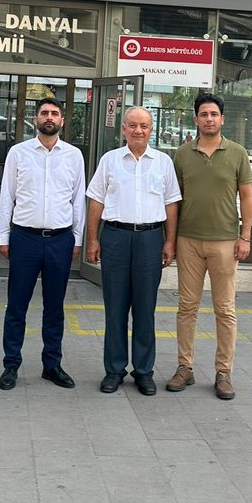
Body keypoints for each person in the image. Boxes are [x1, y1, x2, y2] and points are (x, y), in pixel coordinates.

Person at [85, 107, 180, 395]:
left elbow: (171, 203)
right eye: (133, 125)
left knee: (145, 309)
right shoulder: (110, 160)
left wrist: (169, 241)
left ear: (151, 130)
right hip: (115, 237)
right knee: (115, 307)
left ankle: (143, 371)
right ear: (123, 129)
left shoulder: (163, 162)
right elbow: (96, 201)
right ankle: (114, 370)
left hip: (150, 239)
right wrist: (93, 239)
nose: (138, 130)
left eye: (144, 126)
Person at [168, 92, 252, 401]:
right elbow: (174, 200)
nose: (208, 119)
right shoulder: (182, 154)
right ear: (196, 119)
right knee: (187, 307)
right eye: (203, 114)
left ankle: (223, 372)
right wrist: (170, 240)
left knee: (225, 309)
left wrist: (245, 237)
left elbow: (246, 196)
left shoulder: (237, 153)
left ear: (222, 119)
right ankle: (184, 367)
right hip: (188, 241)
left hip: (225, 242)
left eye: (213, 114)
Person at [0, 97, 85, 390]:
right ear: (35, 119)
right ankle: (11, 364)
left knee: (54, 307)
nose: (49, 117)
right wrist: (3, 236)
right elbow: (7, 196)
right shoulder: (18, 153)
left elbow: (78, 200)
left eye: (54, 113)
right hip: (25, 238)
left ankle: (52, 365)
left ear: (62, 120)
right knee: (16, 305)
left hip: (60, 239)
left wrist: (77, 238)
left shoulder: (73, 155)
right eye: (44, 113)